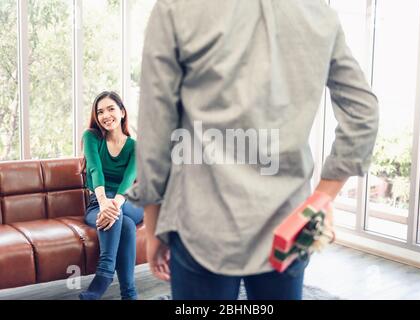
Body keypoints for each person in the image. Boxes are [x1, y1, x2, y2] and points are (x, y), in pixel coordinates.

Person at [126, 0, 379, 300]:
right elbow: (363, 112)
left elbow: (157, 126)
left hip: (200, 222)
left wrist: (154, 222)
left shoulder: (176, 8)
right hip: (288, 222)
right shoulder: (318, 13)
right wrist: (323, 197)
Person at [79, 91, 143, 300]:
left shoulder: (135, 146)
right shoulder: (91, 137)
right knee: (124, 224)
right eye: (100, 112)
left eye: (111, 109)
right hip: (97, 203)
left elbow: (129, 178)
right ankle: (129, 294)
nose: (105, 115)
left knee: (119, 214)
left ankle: (104, 276)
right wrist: (104, 202)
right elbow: (95, 169)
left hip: (128, 201)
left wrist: (113, 204)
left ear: (122, 112)